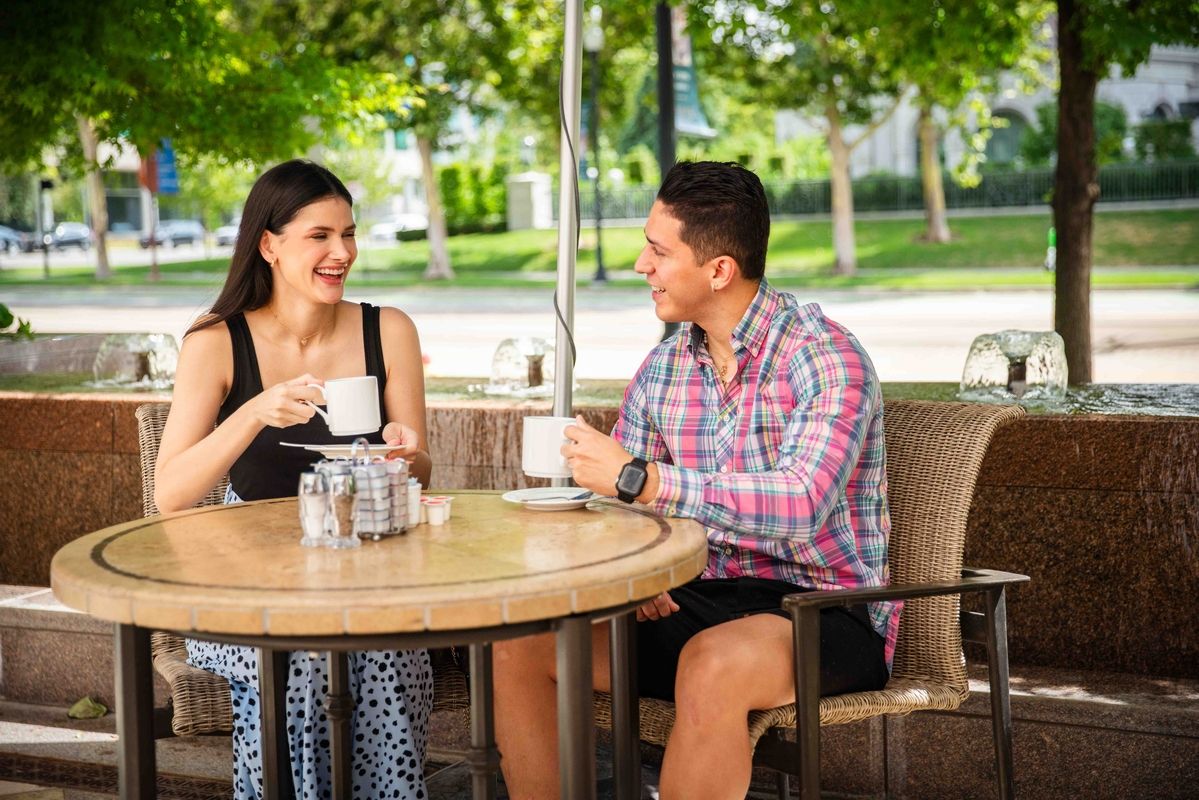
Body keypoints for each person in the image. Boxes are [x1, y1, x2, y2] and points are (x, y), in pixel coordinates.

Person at [493, 161, 901, 799]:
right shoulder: (663, 368)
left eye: (658, 251)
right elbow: (623, 507)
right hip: (695, 595)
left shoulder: (825, 356)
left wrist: (643, 481)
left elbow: (802, 502)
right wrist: (640, 570)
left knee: (713, 664)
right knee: (522, 645)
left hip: (818, 608)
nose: (639, 265)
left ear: (719, 270)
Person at [154, 159, 433, 800]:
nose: (342, 253)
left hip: (368, 567)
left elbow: (420, 466)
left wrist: (402, 453)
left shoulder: (387, 329)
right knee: (304, 658)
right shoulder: (216, 342)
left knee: (383, 650)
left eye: (349, 234)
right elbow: (170, 494)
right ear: (270, 245)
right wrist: (252, 412)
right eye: (321, 236)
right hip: (245, 582)